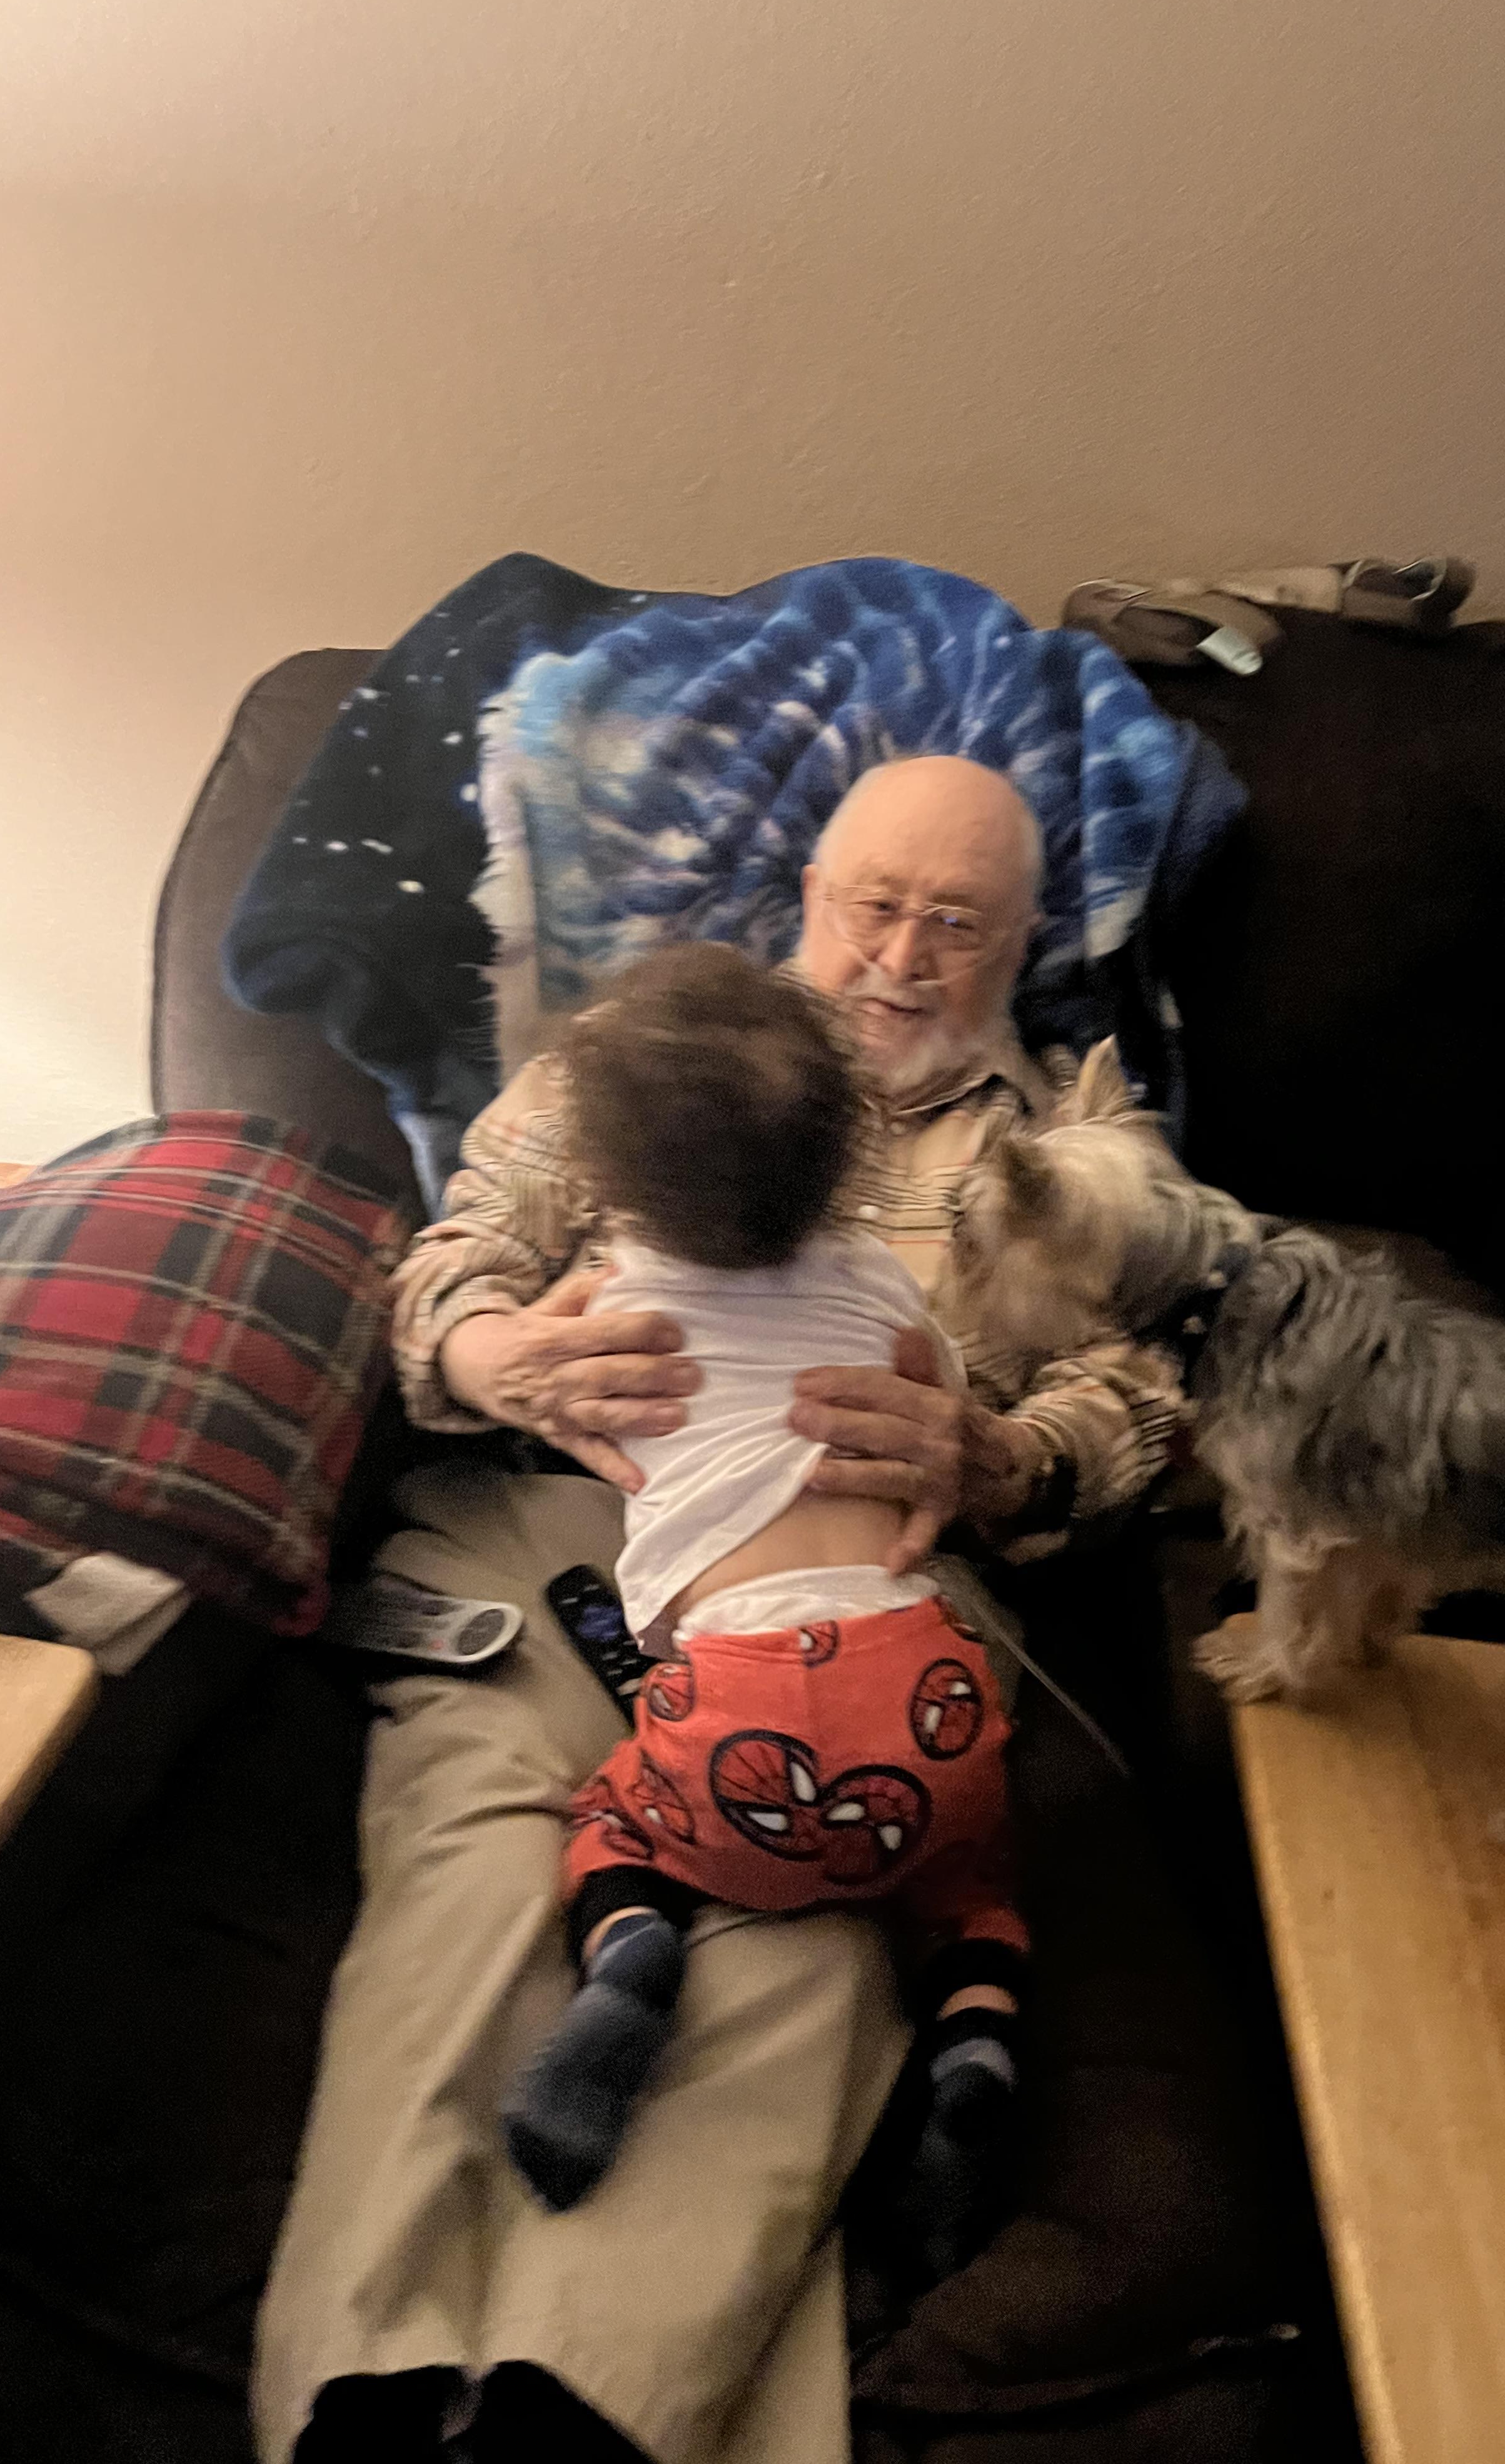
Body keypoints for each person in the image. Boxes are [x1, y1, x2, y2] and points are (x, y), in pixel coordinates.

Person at [254, 757, 1189, 2464]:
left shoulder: (1078, 1148)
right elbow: (447, 1259)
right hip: (557, 1536)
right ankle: (371, 2392)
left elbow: (1144, 1406)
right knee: (477, 1849)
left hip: (879, 1592)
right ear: (807, 899)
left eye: (957, 925)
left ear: (1027, 942)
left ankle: (584, 2406)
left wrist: (998, 1453)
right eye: (872, 908)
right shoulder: (644, 1062)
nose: (903, 956)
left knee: (822, 1924)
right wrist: (497, 1353)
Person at [496, 945, 1027, 2273]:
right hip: (927, 1695)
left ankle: (631, 1957)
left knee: (615, 1820)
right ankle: (976, 2037)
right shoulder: (884, 1283)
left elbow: (543, 1364)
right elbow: (942, 1393)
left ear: (607, 1181)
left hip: (733, 1725)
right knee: (973, 1883)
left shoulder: (608, 1301)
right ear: (850, 1152)